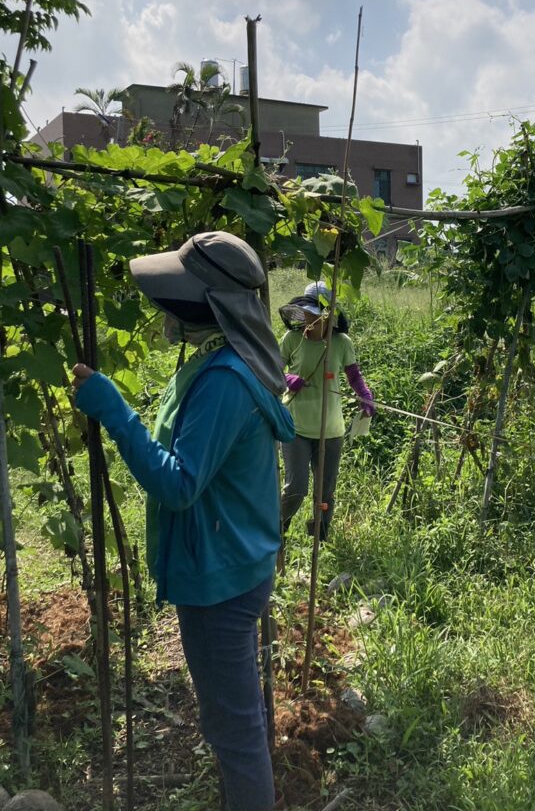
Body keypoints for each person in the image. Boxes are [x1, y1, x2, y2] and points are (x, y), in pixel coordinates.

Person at [72, 231, 294, 811]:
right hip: (227, 561)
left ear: (212, 305)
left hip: (221, 577)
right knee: (230, 719)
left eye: (180, 293)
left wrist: (114, 410)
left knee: (235, 731)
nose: (167, 305)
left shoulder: (224, 380)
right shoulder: (222, 361)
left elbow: (179, 484)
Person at [278, 282, 374, 541]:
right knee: (296, 488)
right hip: (295, 428)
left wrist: (365, 396)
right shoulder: (292, 339)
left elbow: (354, 376)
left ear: (328, 316)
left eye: (315, 316)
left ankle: (319, 535)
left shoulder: (341, 343)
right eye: (306, 314)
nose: (309, 320)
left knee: (325, 493)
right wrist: (289, 378)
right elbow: (270, 370)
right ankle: (277, 527)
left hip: (330, 431)